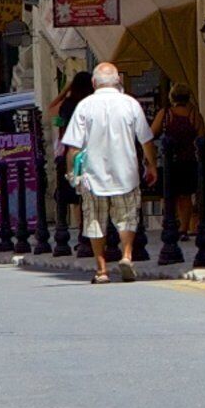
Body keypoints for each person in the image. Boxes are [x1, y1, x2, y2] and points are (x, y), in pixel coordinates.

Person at [64, 62, 148, 286]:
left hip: (94, 176)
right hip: (126, 173)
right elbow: (146, 139)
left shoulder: (84, 106)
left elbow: (73, 147)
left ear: (94, 83)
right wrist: (151, 165)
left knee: (94, 220)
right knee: (127, 218)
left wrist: (71, 173)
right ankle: (127, 255)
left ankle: (102, 270)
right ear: (118, 80)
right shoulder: (131, 104)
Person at [152, 96, 205, 264]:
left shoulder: (165, 113)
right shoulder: (194, 115)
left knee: (169, 195)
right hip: (189, 160)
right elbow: (202, 138)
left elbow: (152, 132)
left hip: (169, 162)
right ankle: (184, 229)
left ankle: (169, 225)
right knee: (185, 196)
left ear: (172, 97)